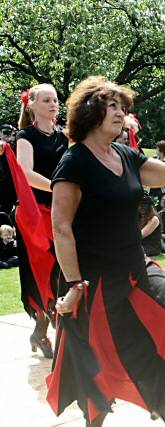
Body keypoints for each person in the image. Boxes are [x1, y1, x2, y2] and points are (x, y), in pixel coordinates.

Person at [48, 76, 165, 426]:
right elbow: (61, 228)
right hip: (96, 281)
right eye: (112, 106)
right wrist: (75, 284)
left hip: (135, 266)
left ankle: (161, 398)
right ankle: (126, 410)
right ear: (90, 111)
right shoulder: (74, 162)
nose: (120, 113)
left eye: (122, 108)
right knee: (108, 360)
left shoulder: (124, 154)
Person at [14, 83, 68, 359]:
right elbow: (25, 173)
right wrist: (58, 187)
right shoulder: (25, 136)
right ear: (32, 105)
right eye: (46, 100)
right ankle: (51, 331)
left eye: (56, 100)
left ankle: (41, 331)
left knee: (63, 268)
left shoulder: (64, 136)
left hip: (60, 209)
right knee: (47, 271)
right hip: (35, 214)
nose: (53, 104)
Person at [148, 140, 165, 204]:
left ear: (161, 150)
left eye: (157, 148)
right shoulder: (154, 159)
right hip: (154, 189)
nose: (156, 150)